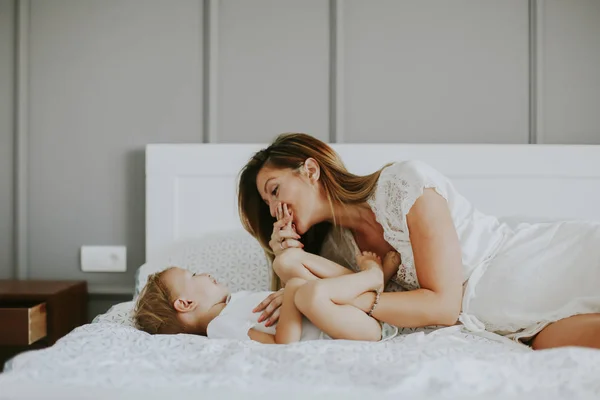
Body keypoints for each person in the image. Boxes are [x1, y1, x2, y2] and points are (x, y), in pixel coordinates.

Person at [238, 132, 600, 350]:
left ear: (310, 170)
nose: (273, 209)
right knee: (559, 346)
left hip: (528, 264)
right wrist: (287, 260)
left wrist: (355, 293)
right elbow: (304, 318)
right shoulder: (336, 251)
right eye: (268, 204)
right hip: (502, 324)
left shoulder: (403, 184)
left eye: (274, 191)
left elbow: (442, 306)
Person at [133, 249, 400, 344]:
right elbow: (282, 345)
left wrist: (290, 290)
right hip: (349, 331)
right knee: (307, 292)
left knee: (300, 277)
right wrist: (293, 289)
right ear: (186, 303)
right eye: (193, 276)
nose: (204, 274)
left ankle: (372, 287)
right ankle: (372, 278)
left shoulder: (232, 304)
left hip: (344, 318)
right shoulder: (220, 325)